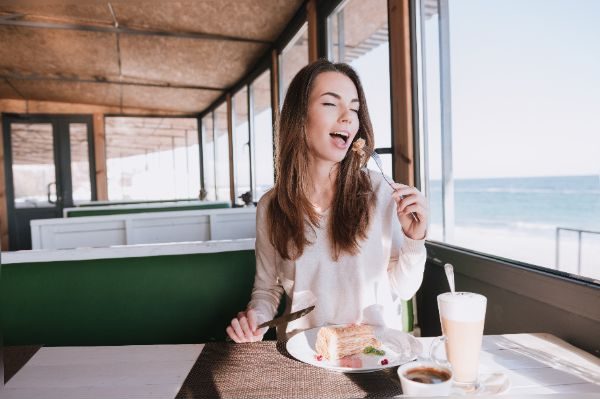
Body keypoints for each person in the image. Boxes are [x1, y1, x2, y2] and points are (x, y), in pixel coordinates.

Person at [226, 59, 428, 343]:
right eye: (331, 104)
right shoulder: (271, 206)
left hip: (376, 355)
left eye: (355, 108)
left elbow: (405, 288)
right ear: (300, 117)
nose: (348, 117)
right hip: (302, 355)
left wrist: (414, 238)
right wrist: (256, 322)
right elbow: (267, 290)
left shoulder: (381, 191)